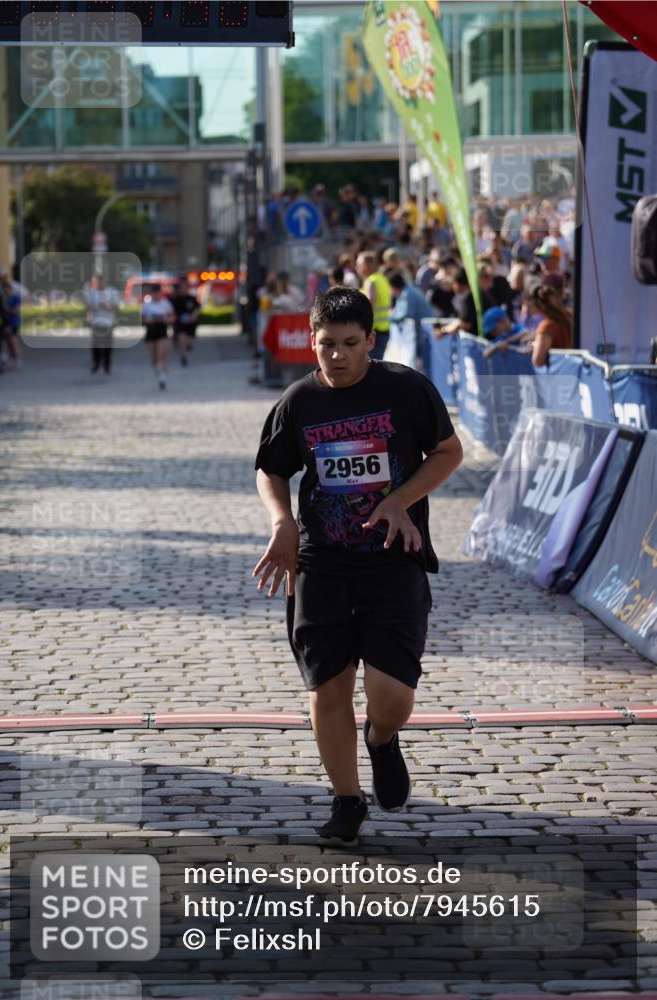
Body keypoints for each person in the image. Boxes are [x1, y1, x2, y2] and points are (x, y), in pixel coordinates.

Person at [253, 287, 463, 845]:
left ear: (371, 340)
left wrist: (400, 499)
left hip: (394, 560)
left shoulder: (405, 389)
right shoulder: (298, 402)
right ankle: (347, 801)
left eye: (350, 343)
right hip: (321, 564)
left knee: (392, 696)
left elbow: (448, 452)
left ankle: (382, 738)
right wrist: (283, 523)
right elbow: (270, 470)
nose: (338, 355)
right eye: (326, 345)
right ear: (311, 342)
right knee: (328, 688)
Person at [387, 270, 434, 370]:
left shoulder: (408, 294)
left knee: (422, 365)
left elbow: (405, 313)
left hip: (423, 332)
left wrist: (389, 318)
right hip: (421, 331)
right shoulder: (407, 290)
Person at [356, 251, 392, 360]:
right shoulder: (382, 278)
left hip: (374, 330)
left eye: (358, 264)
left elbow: (369, 305)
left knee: (372, 365)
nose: (356, 267)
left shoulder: (371, 281)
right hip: (384, 328)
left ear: (366, 266)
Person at [84, 274, 121, 374]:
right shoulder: (91, 292)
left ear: (105, 282)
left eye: (101, 282)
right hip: (96, 321)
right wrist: (92, 309)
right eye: (98, 282)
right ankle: (96, 363)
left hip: (108, 322)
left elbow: (117, 307)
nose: (100, 284)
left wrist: (107, 306)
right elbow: (87, 307)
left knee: (107, 344)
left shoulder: (112, 292)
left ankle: (107, 365)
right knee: (95, 344)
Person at [529, 283, 572, 366]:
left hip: (561, 373)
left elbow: (538, 360)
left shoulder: (547, 326)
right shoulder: (571, 316)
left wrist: (535, 345)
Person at [142, 284, 174, 390]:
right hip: (151, 331)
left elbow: (173, 317)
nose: (156, 295)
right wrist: (149, 320)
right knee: (154, 357)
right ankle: (159, 372)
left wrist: (166, 320)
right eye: (154, 293)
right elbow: (142, 320)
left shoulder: (165, 303)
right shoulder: (146, 304)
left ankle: (162, 377)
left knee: (161, 355)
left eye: (157, 293)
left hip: (162, 330)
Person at [170, 275, 201, 367]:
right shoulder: (175, 299)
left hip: (191, 324)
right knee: (181, 337)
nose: (183, 289)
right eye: (181, 287)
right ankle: (183, 356)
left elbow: (197, 308)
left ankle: (186, 348)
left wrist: (194, 315)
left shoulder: (192, 299)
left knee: (190, 343)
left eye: (185, 287)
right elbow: (171, 311)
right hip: (180, 324)